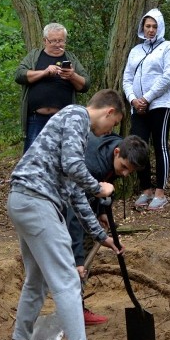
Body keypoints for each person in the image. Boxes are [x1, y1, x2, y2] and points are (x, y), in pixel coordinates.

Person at [7, 89, 123, 340]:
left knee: (36, 280)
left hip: (24, 200)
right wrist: (100, 187)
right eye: (114, 123)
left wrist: (100, 235)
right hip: (37, 202)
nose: (110, 130)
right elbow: (74, 168)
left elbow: (74, 193)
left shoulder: (73, 132)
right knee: (68, 280)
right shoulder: (76, 116)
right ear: (109, 112)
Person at [67, 133, 149, 325]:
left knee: (85, 244)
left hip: (75, 202)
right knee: (76, 257)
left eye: (131, 171)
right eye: (125, 167)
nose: (126, 173)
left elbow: (107, 184)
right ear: (117, 153)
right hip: (57, 206)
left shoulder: (116, 150)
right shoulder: (93, 166)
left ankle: (74, 305)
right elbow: (75, 215)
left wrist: (102, 210)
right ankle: (73, 309)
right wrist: (79, 259)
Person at [123, 8, 170, 211]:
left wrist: (147, 98)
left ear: (160, 27)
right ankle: (145, 189)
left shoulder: (168, 47)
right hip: (137, 106)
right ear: (142, 28)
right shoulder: (136, 51)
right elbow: (127, 78)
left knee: (159, 145)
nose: (151, 30)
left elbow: (168, 76)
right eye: (148, 26)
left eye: (155, 26)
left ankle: (160, 192)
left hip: (161, 103)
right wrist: (133, 100)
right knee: (138, 145)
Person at [14, 22, 90, 153]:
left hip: (63, 120)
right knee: (32, 157)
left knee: (60, 158)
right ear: (45, 41)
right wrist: (44, 72)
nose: (58, 44)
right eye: (53, 41)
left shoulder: (70, 58)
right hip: (36, 118)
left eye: (61, 41)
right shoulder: (34, 56)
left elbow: (85, 84)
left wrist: (72, 76)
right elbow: (19, 75)